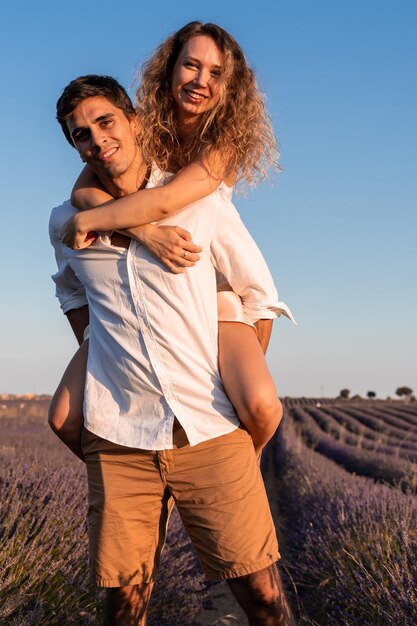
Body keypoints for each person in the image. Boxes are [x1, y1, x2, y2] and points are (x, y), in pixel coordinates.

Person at [50, 23, 295, 626]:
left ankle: (243, 465)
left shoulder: (204, 187)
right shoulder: (69, 215)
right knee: (123, 606)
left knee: (261, 596)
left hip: (208, 405)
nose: (98, 139)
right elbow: (72, 289)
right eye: (82, 135)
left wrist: (237, 361)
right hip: (121, 432)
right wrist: (103, 347)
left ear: (134, 119)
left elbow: (256, 288)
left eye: (108, 123)